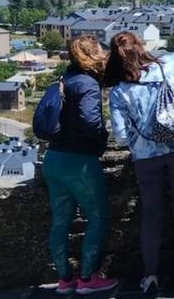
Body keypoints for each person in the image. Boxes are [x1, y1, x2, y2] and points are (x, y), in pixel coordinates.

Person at [108, 24, 174, 292]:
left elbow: (119, 136)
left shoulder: (120, 91)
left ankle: (150, 276)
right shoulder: (168, 67)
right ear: (141, 48)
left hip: (144, 159)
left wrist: (141, 139)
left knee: (151, 215)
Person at [44, 35, 118, 295]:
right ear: (93, 56)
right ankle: (87, 278)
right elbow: (90, 121)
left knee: (60, 220)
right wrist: (101, 140)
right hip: (80, 162)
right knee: (97, 217)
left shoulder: (63, 80)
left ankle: (65, 279)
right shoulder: (87, 84)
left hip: (53, 159)